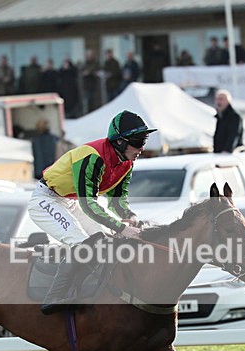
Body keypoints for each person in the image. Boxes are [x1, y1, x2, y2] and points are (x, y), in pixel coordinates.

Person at [28, 110, 156, 314]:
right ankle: (54, 295)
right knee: (82, 244)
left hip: (71, 201)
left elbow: (117, 200)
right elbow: (88, 204)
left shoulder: (127, 162)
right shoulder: (92, 157)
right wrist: (121, 228)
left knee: (102, 241)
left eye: (144, 141)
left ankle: (86, 289)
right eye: (138, 141)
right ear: (120, 142)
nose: (142, 148)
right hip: (47, 199)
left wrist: (129, 216)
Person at [212, 89, 243, 153]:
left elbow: (233, 135)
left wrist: (227, 150)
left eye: (221, 99)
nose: (218, 102)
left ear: (228, 101)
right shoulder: (219, 116)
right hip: (219, 153)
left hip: (231, 154)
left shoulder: (234, 116)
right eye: (217, 99)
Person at [81, 49, 101, 113]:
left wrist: (89, 72)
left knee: (94, 101)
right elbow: (82, 72)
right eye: (88, 55)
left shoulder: (96, 63)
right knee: (87, 102)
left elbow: (96, 71)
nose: (89, 56)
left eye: (90, 55)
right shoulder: (85, 63)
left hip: (93, 85)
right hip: (86, 85)